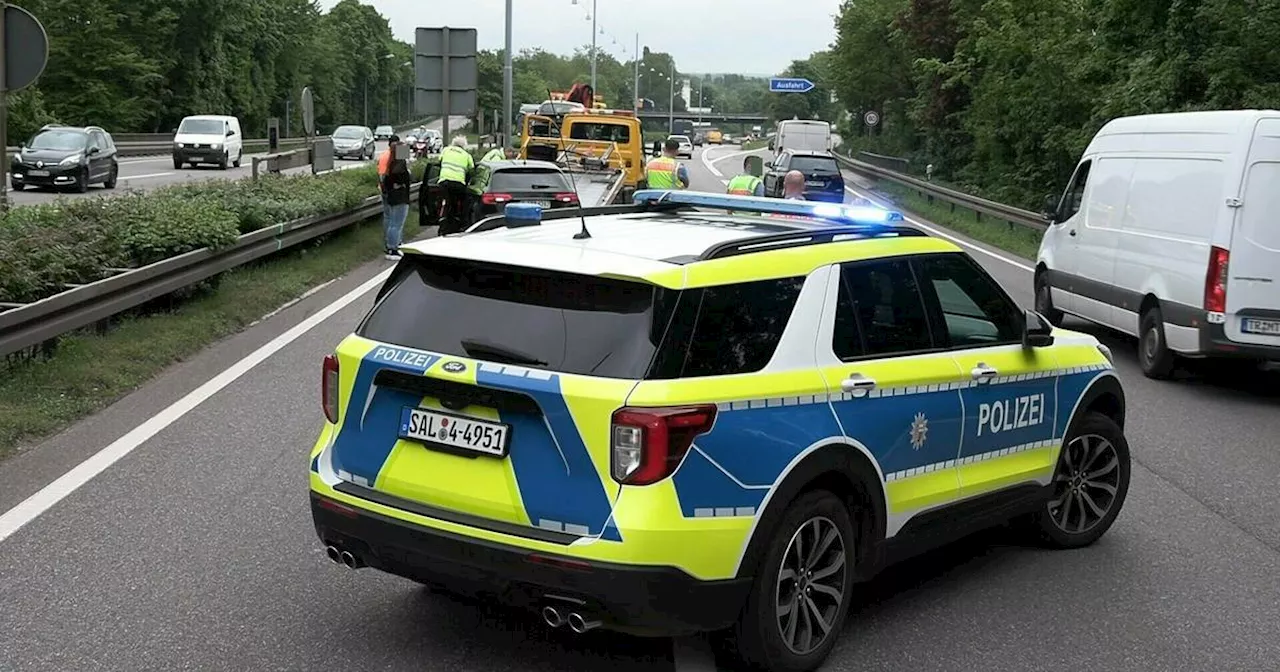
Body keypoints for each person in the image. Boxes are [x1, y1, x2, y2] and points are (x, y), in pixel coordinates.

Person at [438, 135, 475, 235]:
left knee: (447, 202)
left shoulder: (446, 150)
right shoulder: (466, 155)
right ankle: (462, 223)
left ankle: (444, 223)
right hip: (458, 184)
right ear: (464, 146)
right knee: (463, 203)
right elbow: (471, 170)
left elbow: (439, 161)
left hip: (444, 182)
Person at [382, 155, 413, 260]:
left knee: (392, 223)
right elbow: (405, 179)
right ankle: (393, 249)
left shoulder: (390, 163)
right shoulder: (400, 165)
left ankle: (392, 247)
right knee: (397, 224)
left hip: (392, 198)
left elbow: (386, 181)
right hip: (400, 198)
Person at [376, 134, 401, 232]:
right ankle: (396, 240)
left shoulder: (383, 155)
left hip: (384, 187)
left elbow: (380, 173)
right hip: (396, 188)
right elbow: (407, 171)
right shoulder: (401, 152)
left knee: (387, 215)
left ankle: (388, 239)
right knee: (397, 217)